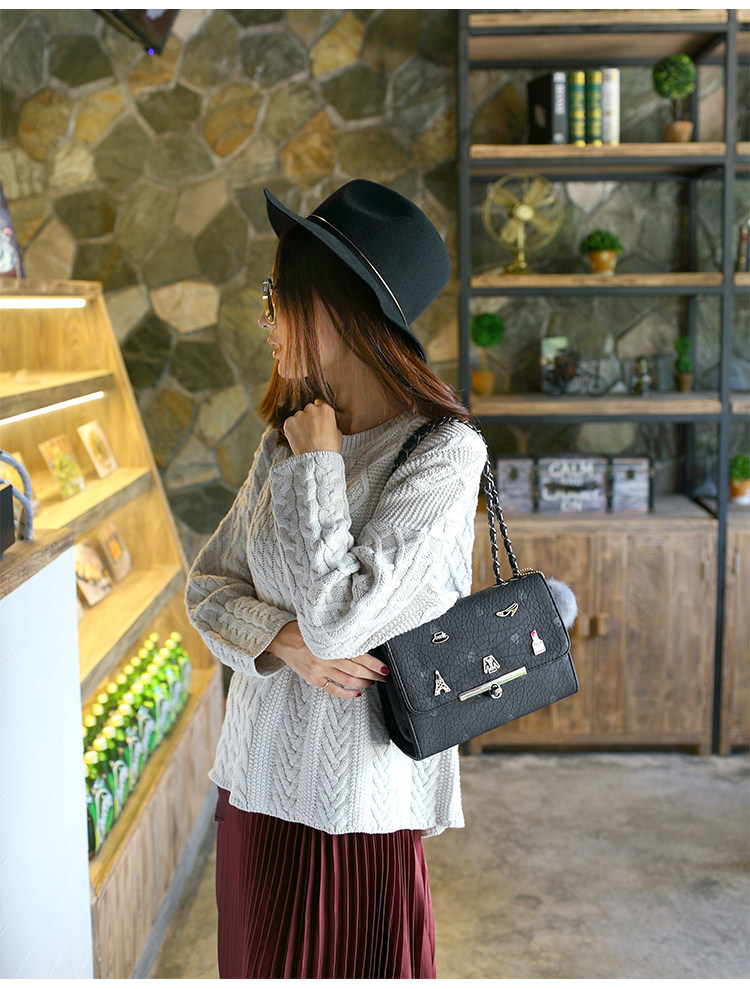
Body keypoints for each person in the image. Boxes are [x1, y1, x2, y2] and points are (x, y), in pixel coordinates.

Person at [185, 179, 488, 979]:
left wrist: (320, 464)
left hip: (358, 807)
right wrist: (284, 642)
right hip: (254, 787)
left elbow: (342, 623)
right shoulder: (282, 442)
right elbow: (205, 589)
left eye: (275, 297)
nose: (266, 320)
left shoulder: (443, 454)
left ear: (336, 308)